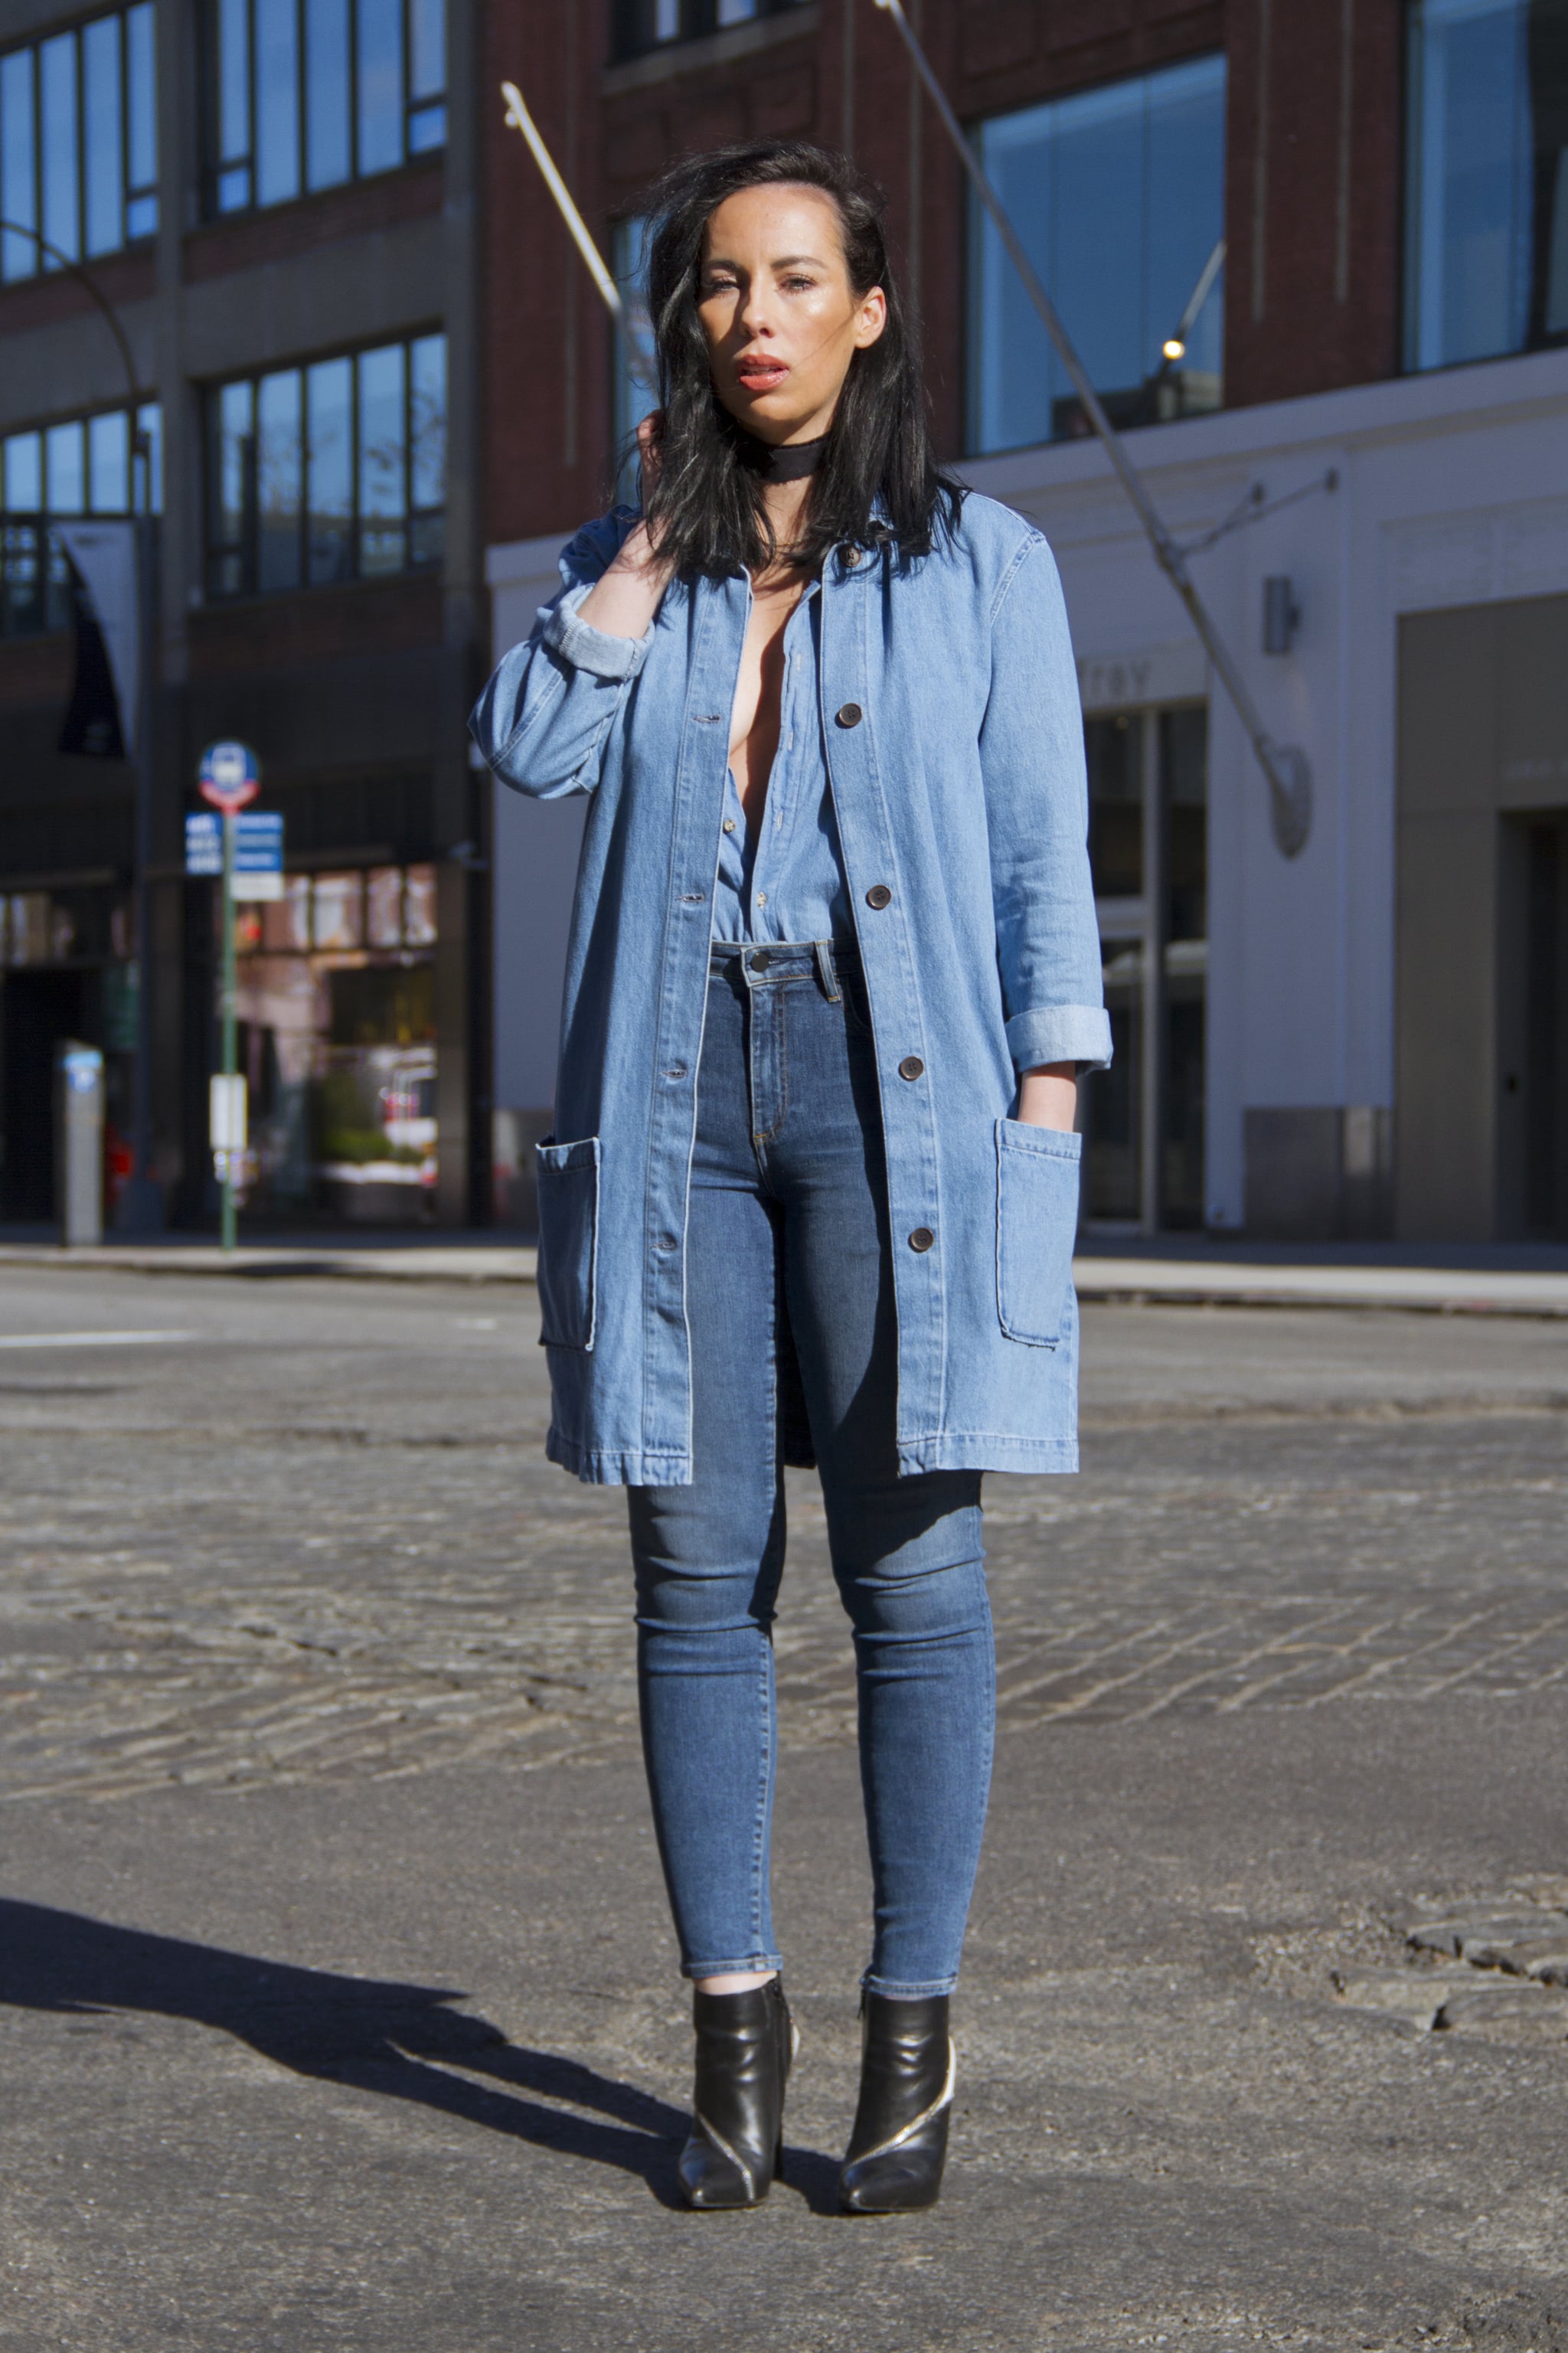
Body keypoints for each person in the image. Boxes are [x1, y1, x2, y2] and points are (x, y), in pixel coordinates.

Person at [471, 139, 1109, 2216]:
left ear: (870, 310)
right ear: (688, 325)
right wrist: (644, 554)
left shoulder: (982, 562)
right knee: (692, 1572)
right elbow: (524, 749)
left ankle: (910, 2053)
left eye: (796, 277)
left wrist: (1045, 1125)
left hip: (890, 1088)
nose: (757, 314)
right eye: (721, 285)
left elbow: (1038, 867)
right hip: (674, 1096)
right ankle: (729, 2055)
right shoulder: (620, 570)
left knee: (912, 1575)